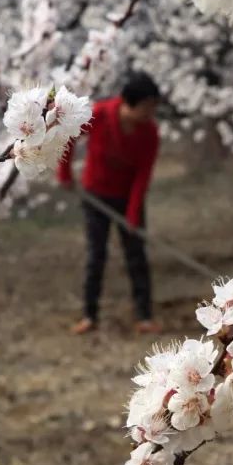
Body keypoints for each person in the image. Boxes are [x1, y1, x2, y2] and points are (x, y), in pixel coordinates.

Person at [58, 72, 162, 335]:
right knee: (96, 255)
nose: (150, 113)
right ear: (130, 103)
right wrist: (65, 173)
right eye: (146, 107)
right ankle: (89, 315)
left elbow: (143, 176)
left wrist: (132, 213)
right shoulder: (99, 114)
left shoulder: (150, 133)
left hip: (128, 197)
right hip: (95, 196)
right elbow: (69, 136)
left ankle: (144, 316)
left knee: (136, 255)